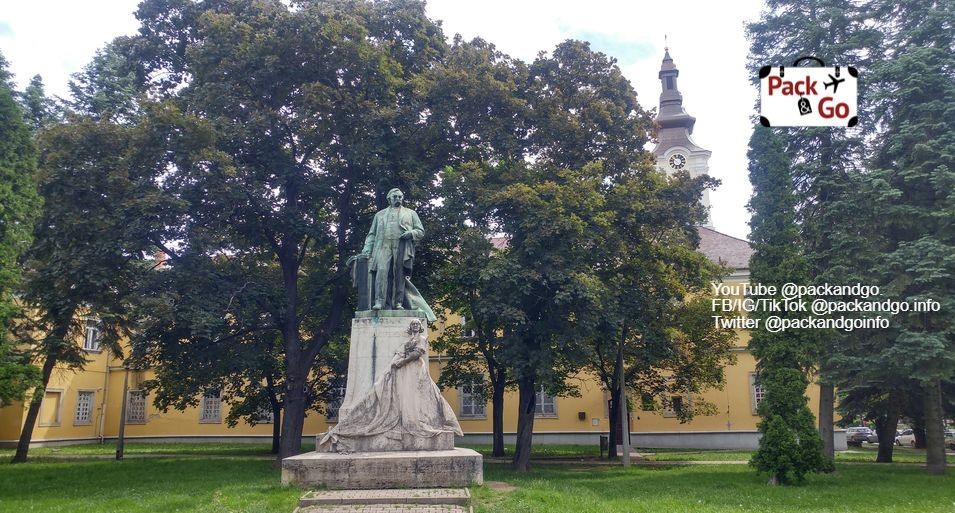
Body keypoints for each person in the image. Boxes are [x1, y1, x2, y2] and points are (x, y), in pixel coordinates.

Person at [319, 319, 462, 452]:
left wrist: (402, 362)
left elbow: (417, 354)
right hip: (406, 369)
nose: (415, 326)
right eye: (413, 325)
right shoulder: (409, 339)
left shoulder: (422, 338)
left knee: (420, 395)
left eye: (417, 324)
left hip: (415, 369)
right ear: (410, 327)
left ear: (420, 326)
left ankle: (418, 420)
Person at [359, 188, 424, 310]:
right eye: (395, 197)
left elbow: (420, 231)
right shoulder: (379, 215)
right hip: (383, 246)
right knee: (381, 272)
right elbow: (372, 234)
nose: (398, 199)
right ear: (389, 199)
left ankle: (398, 303)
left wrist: (410, 233)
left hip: (402, 247)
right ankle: (379, 302)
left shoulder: (411, 213)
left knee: (399, 275)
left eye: (400, 197)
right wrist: (367, 249)